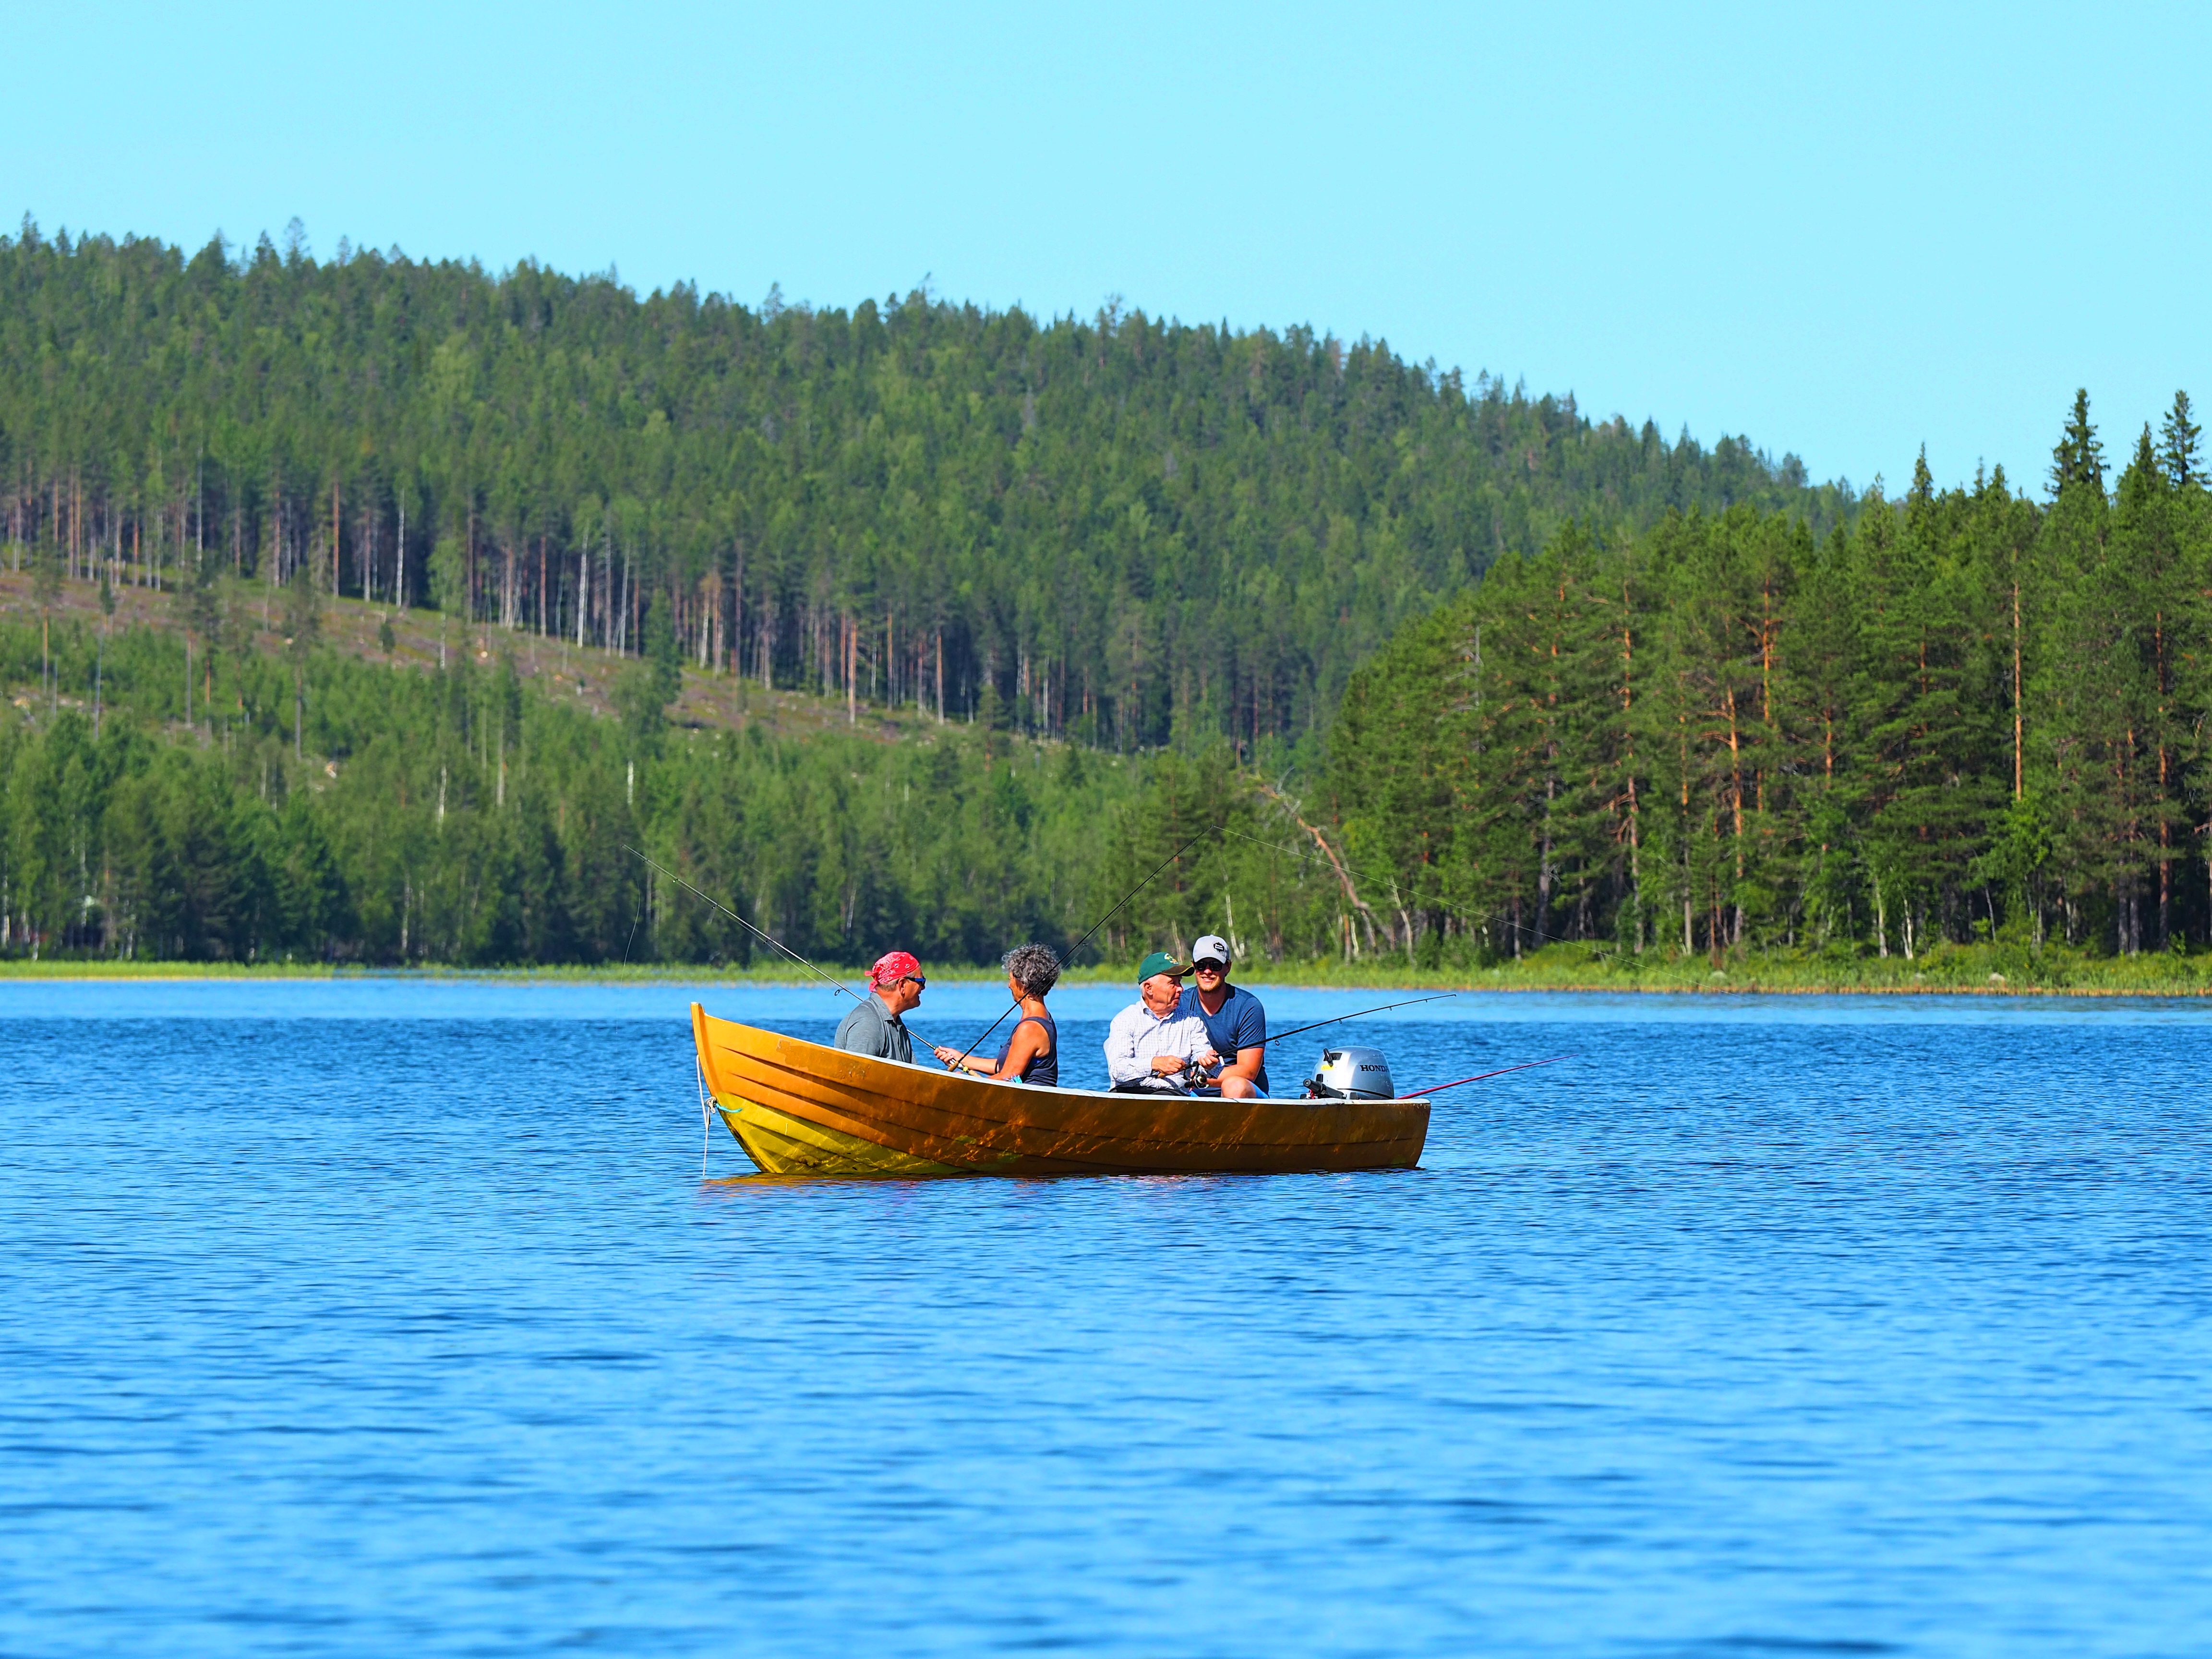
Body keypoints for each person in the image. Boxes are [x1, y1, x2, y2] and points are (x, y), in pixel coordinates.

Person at [935, 944, 1060, 1084]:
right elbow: (1005, 1068)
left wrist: (964, 1082)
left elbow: (1010, 1076)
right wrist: (961, 1059)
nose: (1009, 986)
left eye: (1011, 979)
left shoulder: (1030, 1028)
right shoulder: (1042, 1017)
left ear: (1023, 984)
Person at [1103, 950, 1219, 1092]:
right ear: (1149, 988)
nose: (1181, 989)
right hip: (1128, 1096)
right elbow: (1117, 1069)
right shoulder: (1125, 1020)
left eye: (1180, 982)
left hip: (1170, 1097)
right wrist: (1154, 1064)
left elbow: (1204, 1057)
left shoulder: (1191, 1021)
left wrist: (1209, 1062)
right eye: (1172, 983)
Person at [1178, 934, 1269, 1098]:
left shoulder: (1248, 1007)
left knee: (1233, 1085)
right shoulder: (1180, 1004)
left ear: (1227, 967)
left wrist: (1204, 1080)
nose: (1207, 971)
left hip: (1244, 1092)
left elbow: (1248, 1072)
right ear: (1193, 967)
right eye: (1201, 965)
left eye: (1215, 965)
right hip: (1191, 1091)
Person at [833, 950, 926, 1062]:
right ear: (902, 985)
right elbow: (855, 1075)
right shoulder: (868, 1022)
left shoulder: (897, 1023)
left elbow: (913, 1077)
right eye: (921, 981)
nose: (923, 988)